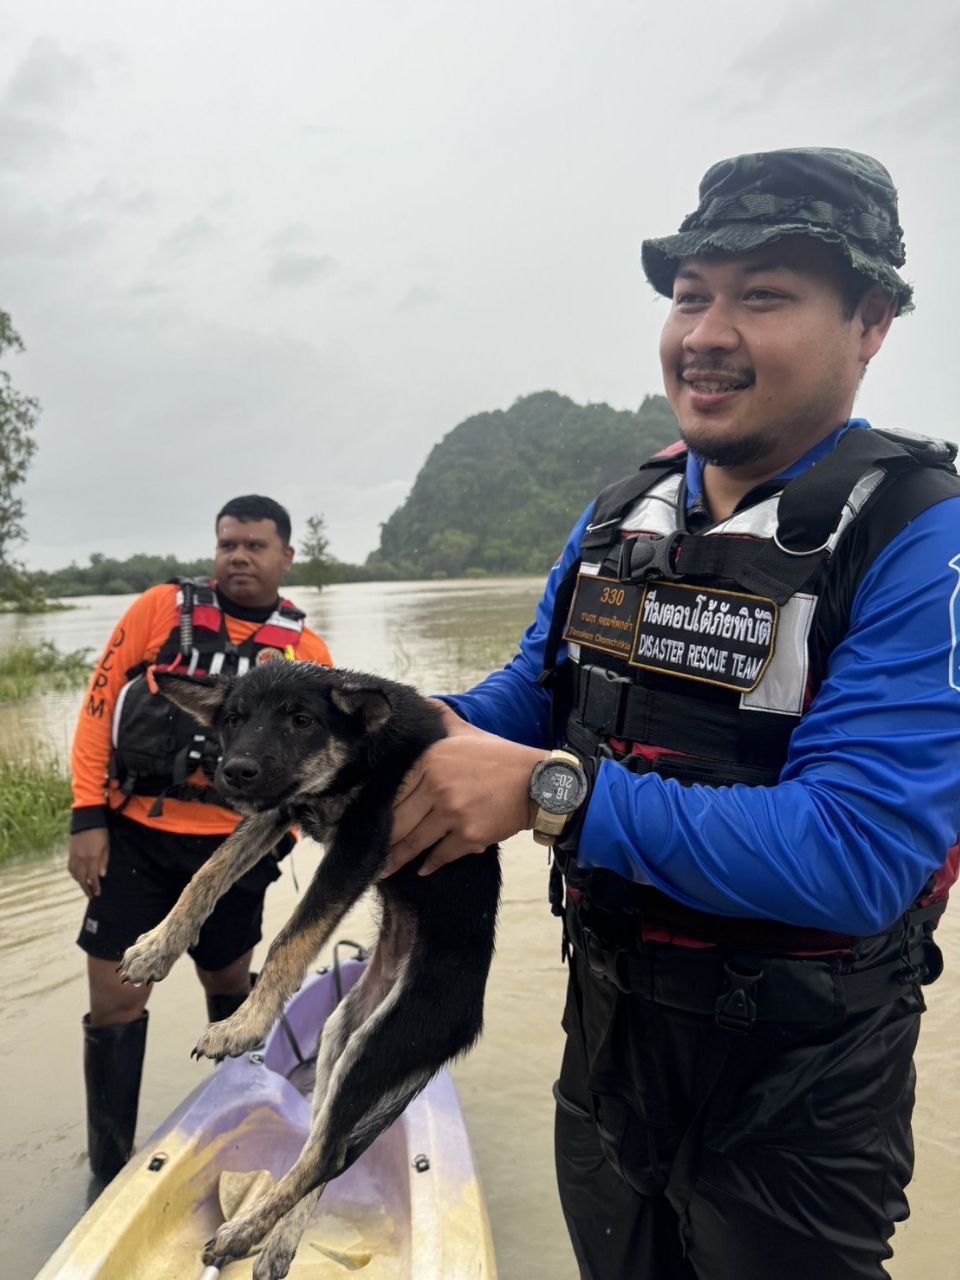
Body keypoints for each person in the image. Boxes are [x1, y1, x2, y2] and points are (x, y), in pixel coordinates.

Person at [387, 149, 960, 1278]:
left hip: (801, 1078)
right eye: (691, 293)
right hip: (606, 1037)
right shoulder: (623, 511)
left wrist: (551, 789)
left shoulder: (920, 537)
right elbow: (536, 691)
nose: (706, 330)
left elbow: (857, 854)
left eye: (763, 295)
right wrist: (406, 730)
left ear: (872, 320)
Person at [68, 494, 334, 1187]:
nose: (238, 557)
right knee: (116, 999)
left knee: (227, 985)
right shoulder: (159, 610)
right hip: (134, 839)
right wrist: (86, 816)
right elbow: (98, 708)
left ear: (285, 556)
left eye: (253, 545)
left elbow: (330, 761)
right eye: (227, 544)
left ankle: (235, 1141)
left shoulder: (306, 651)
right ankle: (107, 1172)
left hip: (233, 851)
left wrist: (286, 837)